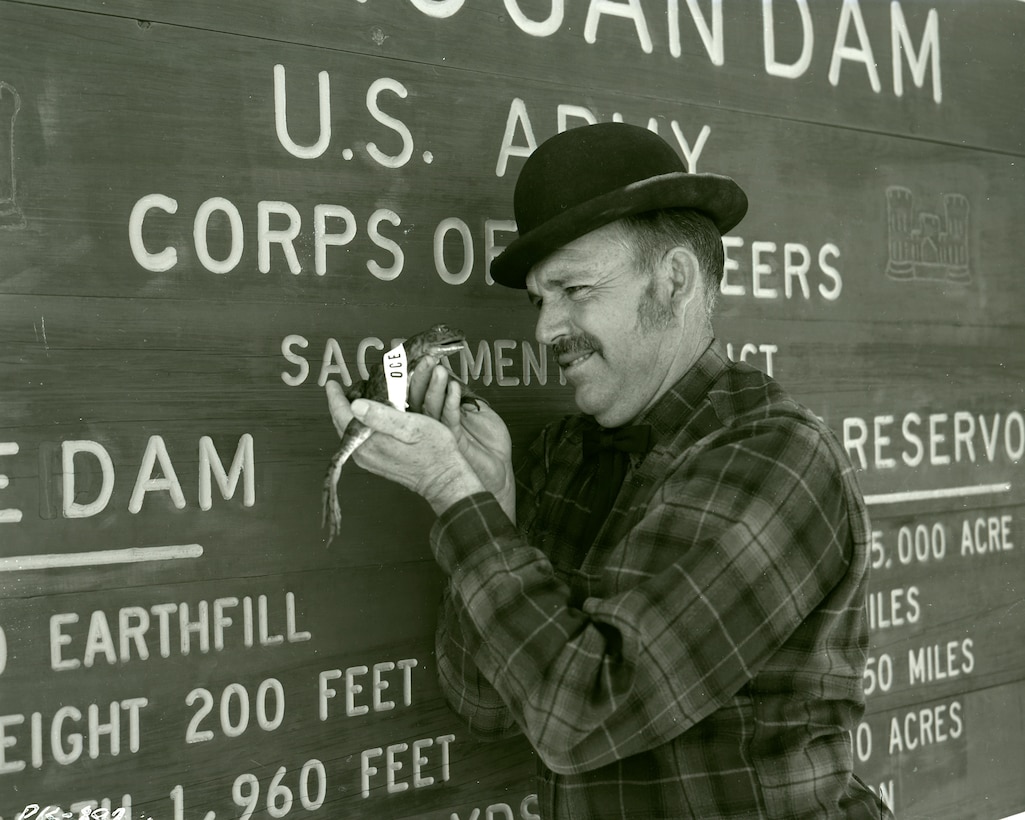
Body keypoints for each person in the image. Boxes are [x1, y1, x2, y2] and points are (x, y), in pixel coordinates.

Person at [326, 122, 892, 819]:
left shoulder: (776, 458)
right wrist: (492, 503)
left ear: (674, 279)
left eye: (573, 288)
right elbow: (484, 703)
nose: (543, 329)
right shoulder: (560, 455)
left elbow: (581, 714)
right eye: (540, 299)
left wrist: (452, 494)